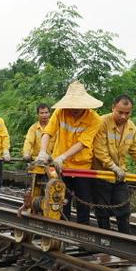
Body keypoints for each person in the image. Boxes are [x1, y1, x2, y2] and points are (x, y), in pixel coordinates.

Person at [35, 81, 102, 224]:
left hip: (82, 167)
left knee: (83, 202)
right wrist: (42, 152)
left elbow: (84, 143)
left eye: (78, 106)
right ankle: (60, 232)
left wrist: (63, 156)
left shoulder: (94, 119)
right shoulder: (61, 112)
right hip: (60, 167)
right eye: (72, 105)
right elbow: (48, 132)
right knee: (59, 199)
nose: (75, 109)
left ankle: (82, 234)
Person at [92, 94, 136, 234]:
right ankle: (105, 239)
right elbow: (99, 150)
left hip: (120, 175)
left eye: (127, 113)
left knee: (124, 209)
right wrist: (112, 167)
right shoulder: (101, 122)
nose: (123, 116)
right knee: (103, 210)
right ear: (113, 107)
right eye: (120, 112)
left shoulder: (131, 127)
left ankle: (125, 238)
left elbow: (134, 148)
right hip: (102, 174)